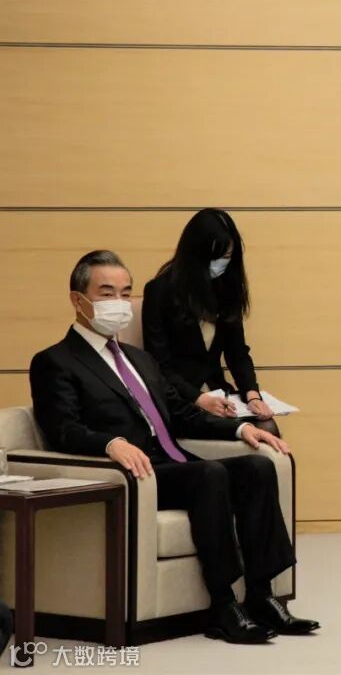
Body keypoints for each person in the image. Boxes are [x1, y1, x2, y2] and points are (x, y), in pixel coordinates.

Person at [29, 250, 319, 644]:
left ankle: (262, 594)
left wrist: (240, 430)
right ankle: (223, 606)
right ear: (78, 300)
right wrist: (111, 443)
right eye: (107, 293)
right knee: (209, 474)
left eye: (125, 293)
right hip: (137, 474)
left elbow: (181, 413)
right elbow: (62, 428)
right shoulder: (55, 362)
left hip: (173, 463)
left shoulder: (139, 360)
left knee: (256, 466)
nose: (119, 303)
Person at [143, 208, 277, 431]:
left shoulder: (225, 288)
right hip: (180, 400)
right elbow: (158, 364)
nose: (220, 264)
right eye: (214, 257)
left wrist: (252, 394)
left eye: (226, 257)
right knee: (259, 434)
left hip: (218, 394)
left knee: (267, 426)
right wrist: (199, 398)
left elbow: (237, 352)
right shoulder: (160, 291)